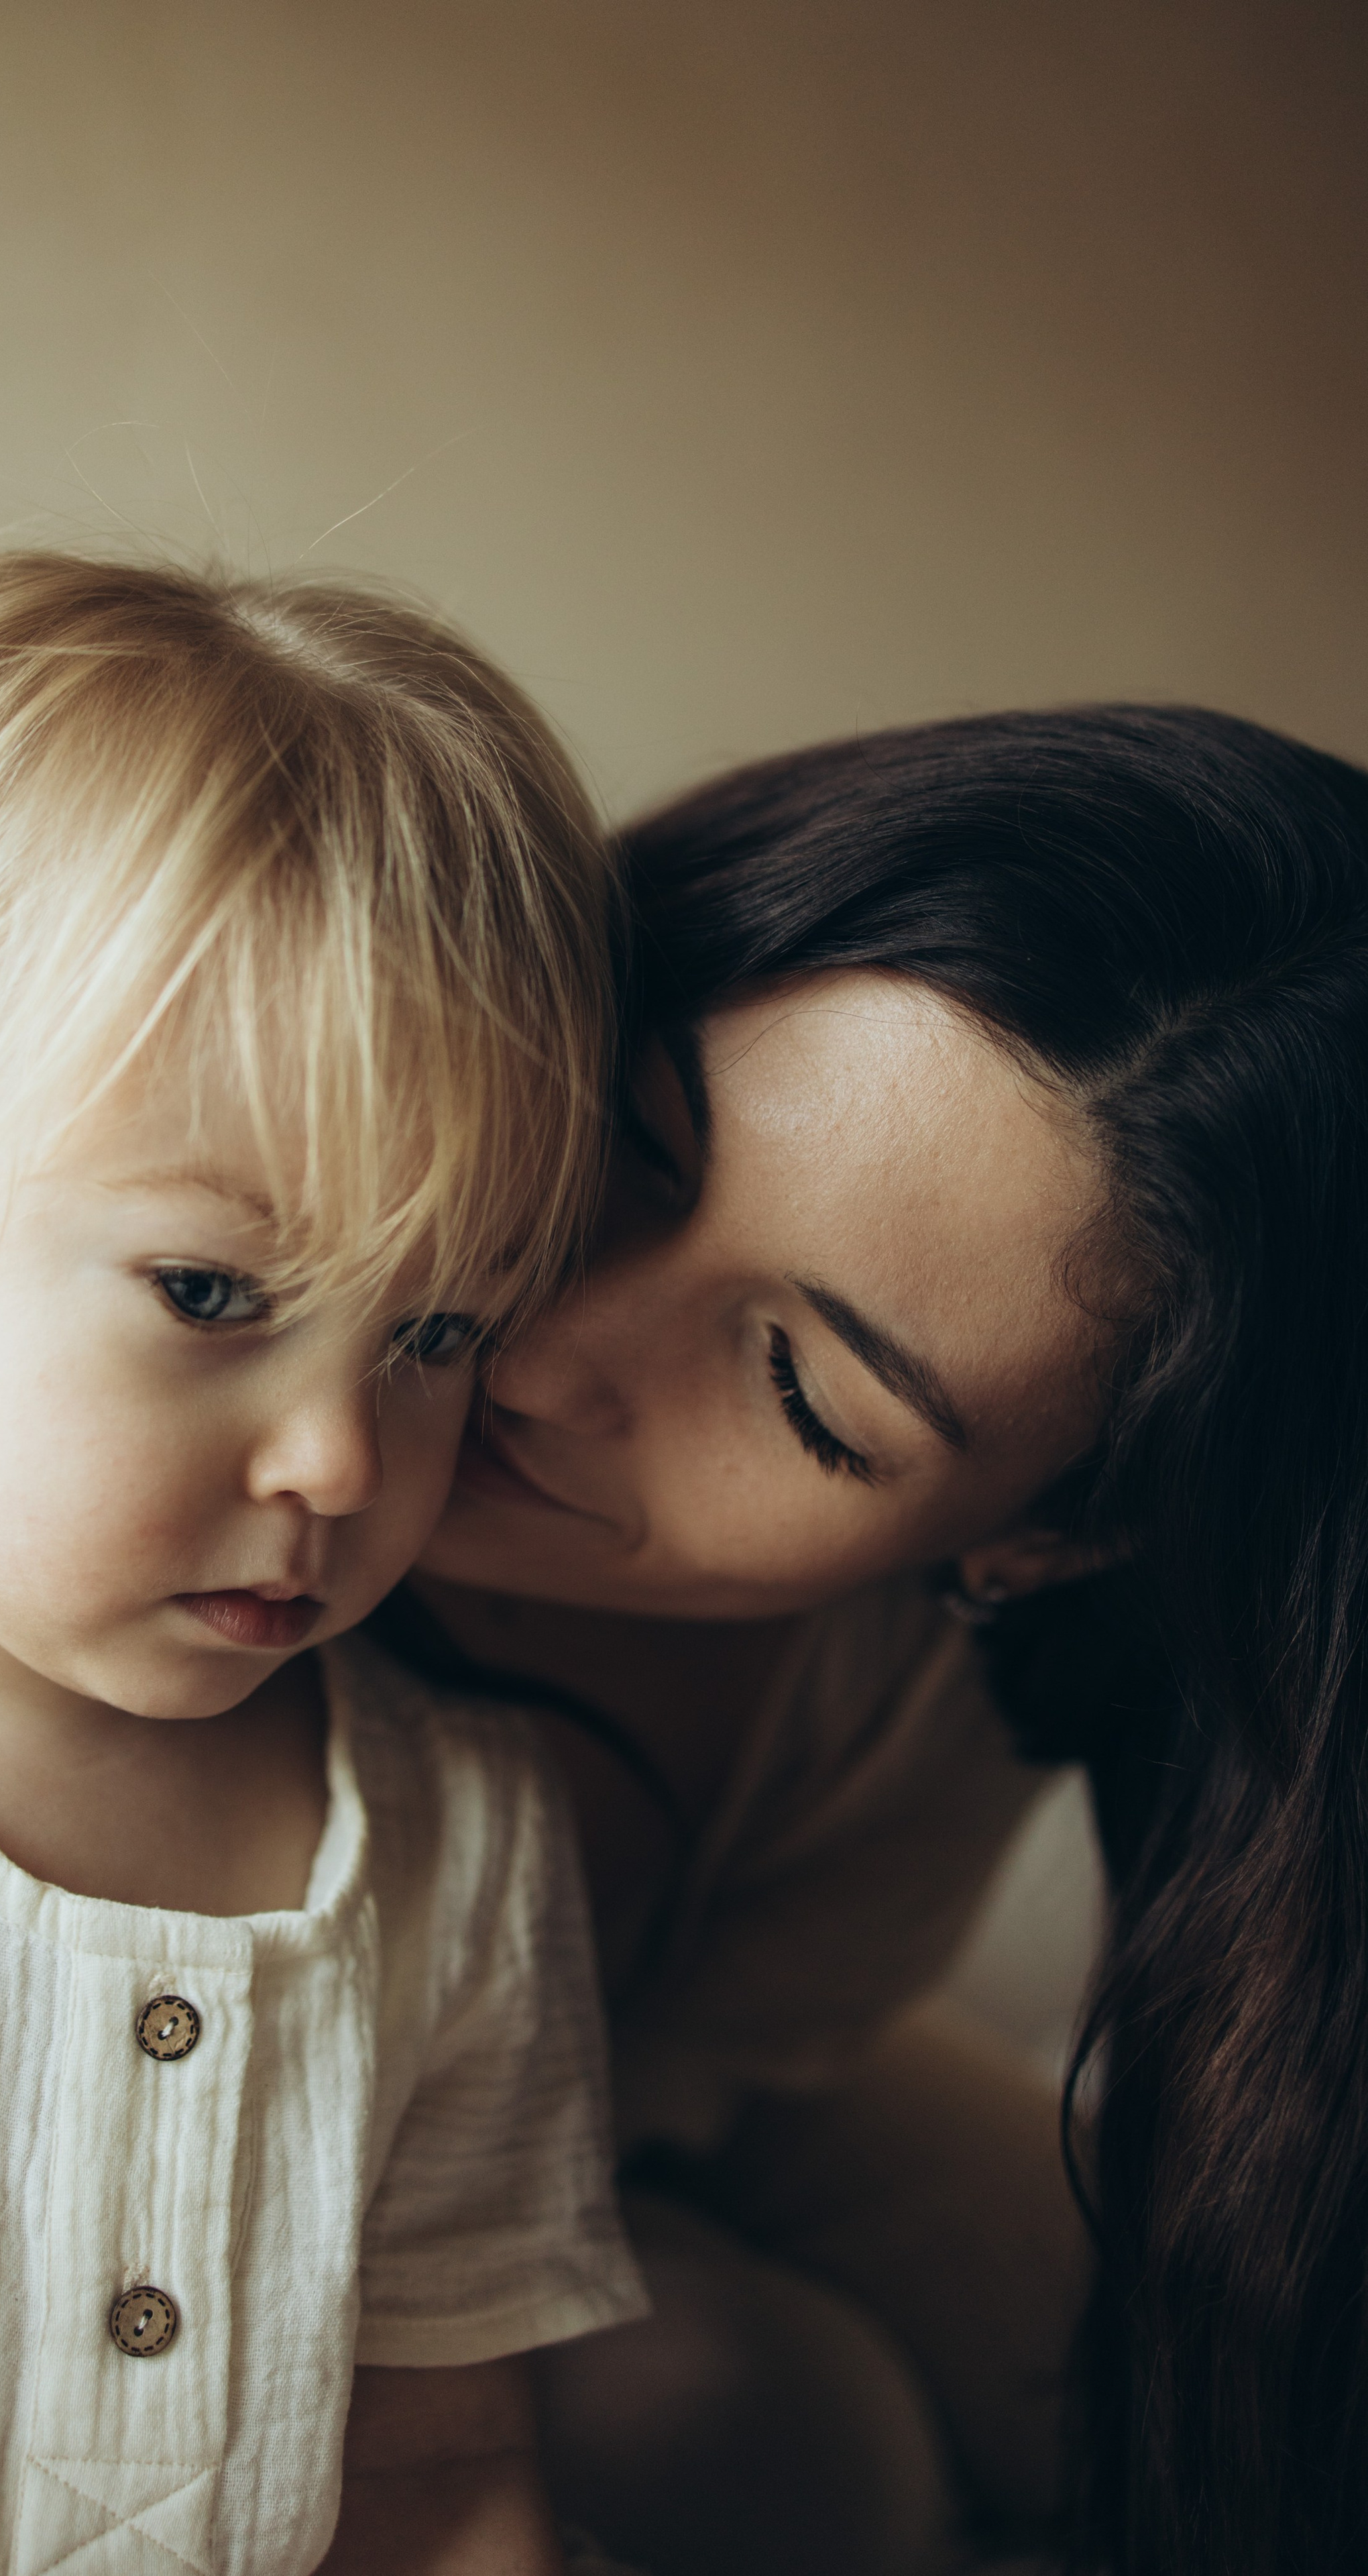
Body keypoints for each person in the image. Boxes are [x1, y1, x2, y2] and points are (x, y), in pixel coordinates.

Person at [0, 550, 650, 2576]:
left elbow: (444, 2483)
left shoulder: (459, 1847)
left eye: (438, 1331)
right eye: (210, 1289)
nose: (340, 1455)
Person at [397, 706, 1368, 2576]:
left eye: (804, 1393)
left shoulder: (920, 1723)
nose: (537, 1349)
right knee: (759, 2425)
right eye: (633, 1146)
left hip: (641, 2098)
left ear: (1037, 1539)